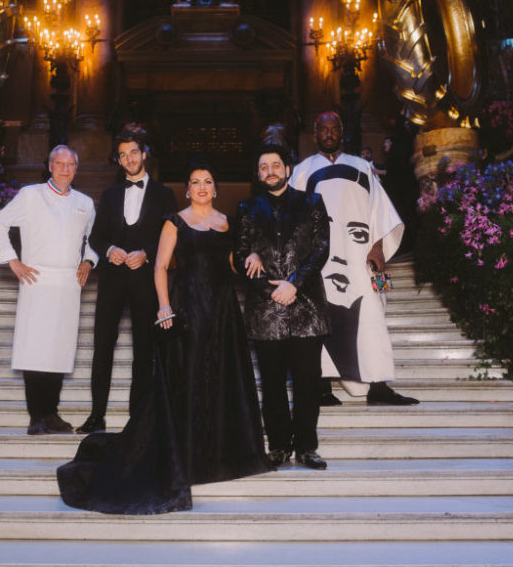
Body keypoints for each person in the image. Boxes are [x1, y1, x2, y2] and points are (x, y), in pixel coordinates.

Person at [57, 159, 271, 514]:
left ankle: (219, 454)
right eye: (195, 182)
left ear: (215, 189)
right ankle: (185, 453)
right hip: (187, 309)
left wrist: (251, 254)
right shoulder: (175, 222)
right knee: (185, 382)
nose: (202, 186)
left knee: (220, 379)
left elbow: (231, 263)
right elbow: (159, 266)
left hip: (222, 311)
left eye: (207, 181)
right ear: (187, 190)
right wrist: (163, 307)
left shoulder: (227, 223)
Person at [291, 112, 419, 407]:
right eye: (323, 128)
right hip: (319, 259)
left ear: (342, 132)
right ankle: (321, 387)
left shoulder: (362, 166)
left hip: (364, 256)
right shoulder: (301, 170)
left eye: (335, 128)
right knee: (318, 318)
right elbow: (294, 217)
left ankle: (379, 387)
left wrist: (379, 247)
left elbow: (380, 210)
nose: (329, 133)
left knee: (375, 310)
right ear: (315, 133)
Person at [0, 145, 97, 435]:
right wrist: (12, 260)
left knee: (59, 350)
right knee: (36, 349)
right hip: (37, 280)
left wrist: (89, 260)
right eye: (59, 163)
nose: (64, 168)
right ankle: (36, 416)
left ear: (76, 168)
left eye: (70, 164)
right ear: (49, 166)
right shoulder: (30, 195)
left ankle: (52, 414)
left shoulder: (85, 202)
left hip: (69, 283)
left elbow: (92, 239)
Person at [234, 143, 331, 470]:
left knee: (308, 382)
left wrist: (294, 283)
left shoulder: (312, 202)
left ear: (287, 169)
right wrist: (266, 286)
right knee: (272, 384)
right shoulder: (247, 208)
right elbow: (240, 252)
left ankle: (307, 447)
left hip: (306, 308)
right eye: (263, 167)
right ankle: (277, 447)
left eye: (275, 165)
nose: (270, 171)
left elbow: (321, 250)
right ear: (258, 173)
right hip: (265, 310)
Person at [75, 131, 178, 434]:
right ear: (118, 160)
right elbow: (96, 235)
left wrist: (146, 253)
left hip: (147, 279)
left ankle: (139, 418)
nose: (129, 159)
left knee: (145, 349)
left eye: (133, 152)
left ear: (144, 153)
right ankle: (97, 415)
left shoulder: (164, 194)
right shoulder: (109, 195)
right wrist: (109, 250)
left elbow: (169, 235)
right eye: (123, 155)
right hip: (112, 280)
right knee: (103, 345)